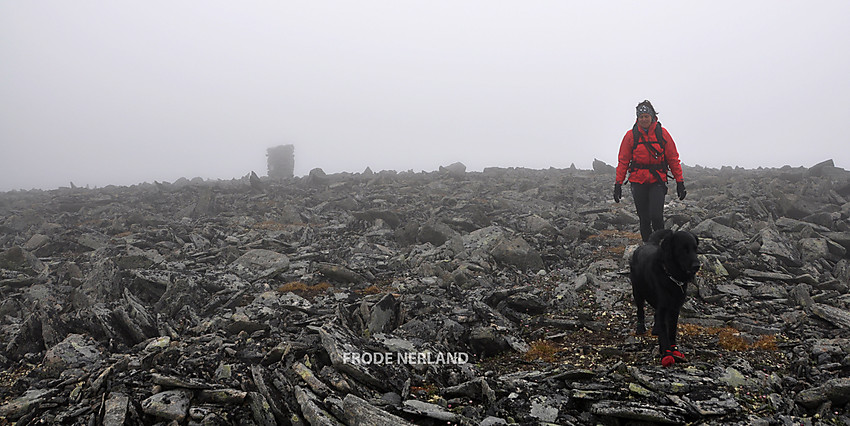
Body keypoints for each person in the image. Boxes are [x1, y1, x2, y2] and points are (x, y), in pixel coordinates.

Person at [613, 100, 687, 242]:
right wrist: (618, 184)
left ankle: (662, 247)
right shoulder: (631, 136)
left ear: (652, 116)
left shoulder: (662, 134)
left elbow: (673, 158)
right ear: (637, 118)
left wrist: (680, 181)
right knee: (644, 218)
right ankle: (648, 248)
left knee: (656, 216)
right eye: (641, 117)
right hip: (637, 181)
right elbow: (623, 161)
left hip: (657, 181)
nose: (644, 119)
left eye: (646, 116)